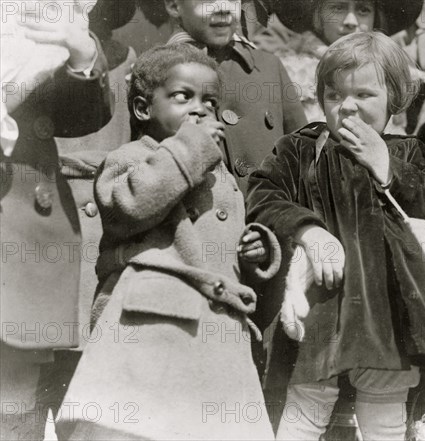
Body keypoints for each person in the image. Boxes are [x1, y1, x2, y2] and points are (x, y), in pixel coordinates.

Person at [55, 43, 281, 441]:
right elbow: (133, 205)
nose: (199, 109)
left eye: (209, 101)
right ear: (143, 109)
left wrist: (254, 250)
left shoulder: (218, 174)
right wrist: (192, 146)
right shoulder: (129, 158)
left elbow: (220, 240)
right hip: (151, 323)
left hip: (215, 334)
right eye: (183, 97)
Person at [246, 32, 425, 441]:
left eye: (364, 94)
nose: (346, 106)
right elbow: (263, 193)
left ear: (395, 98)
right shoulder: (302, 148)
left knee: (384, 413)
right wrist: (308, 230)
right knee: (305, 407)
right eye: (333, 94)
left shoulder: (408, 151)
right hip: (323, 303)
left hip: (387, 307)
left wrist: (387, 166)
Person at [0, 1, 113, 439]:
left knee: (14, 374)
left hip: (20, 216)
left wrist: (80, 53)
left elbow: (79, 115)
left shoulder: (44, 15)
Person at [163, 0, 307, 195]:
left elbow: (304, 160)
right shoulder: (157, 74)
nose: (223, 6)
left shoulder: (268, 67)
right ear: (173, 5)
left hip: (273, 216)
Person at [253, 0, 423, 123]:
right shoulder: (289, 68)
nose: (351, 21)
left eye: (363, 10)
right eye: (337, 8)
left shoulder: (389, 71)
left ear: (376, 18)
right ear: (318, 16)